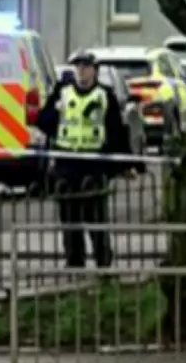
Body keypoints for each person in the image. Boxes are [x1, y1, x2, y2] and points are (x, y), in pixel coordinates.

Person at [36, 49, 131, 269]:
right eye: (78, 67)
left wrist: (126, 165)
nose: (81, 71)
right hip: (66, 162)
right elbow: (43, 121)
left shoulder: (104, 96)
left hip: (93, 164)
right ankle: (74, 263)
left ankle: (103, 262)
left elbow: (117, 132)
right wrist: (54, 112)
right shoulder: (63, 93)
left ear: (95, 71)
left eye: (86, 67)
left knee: (96, 217)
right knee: (69, 220)